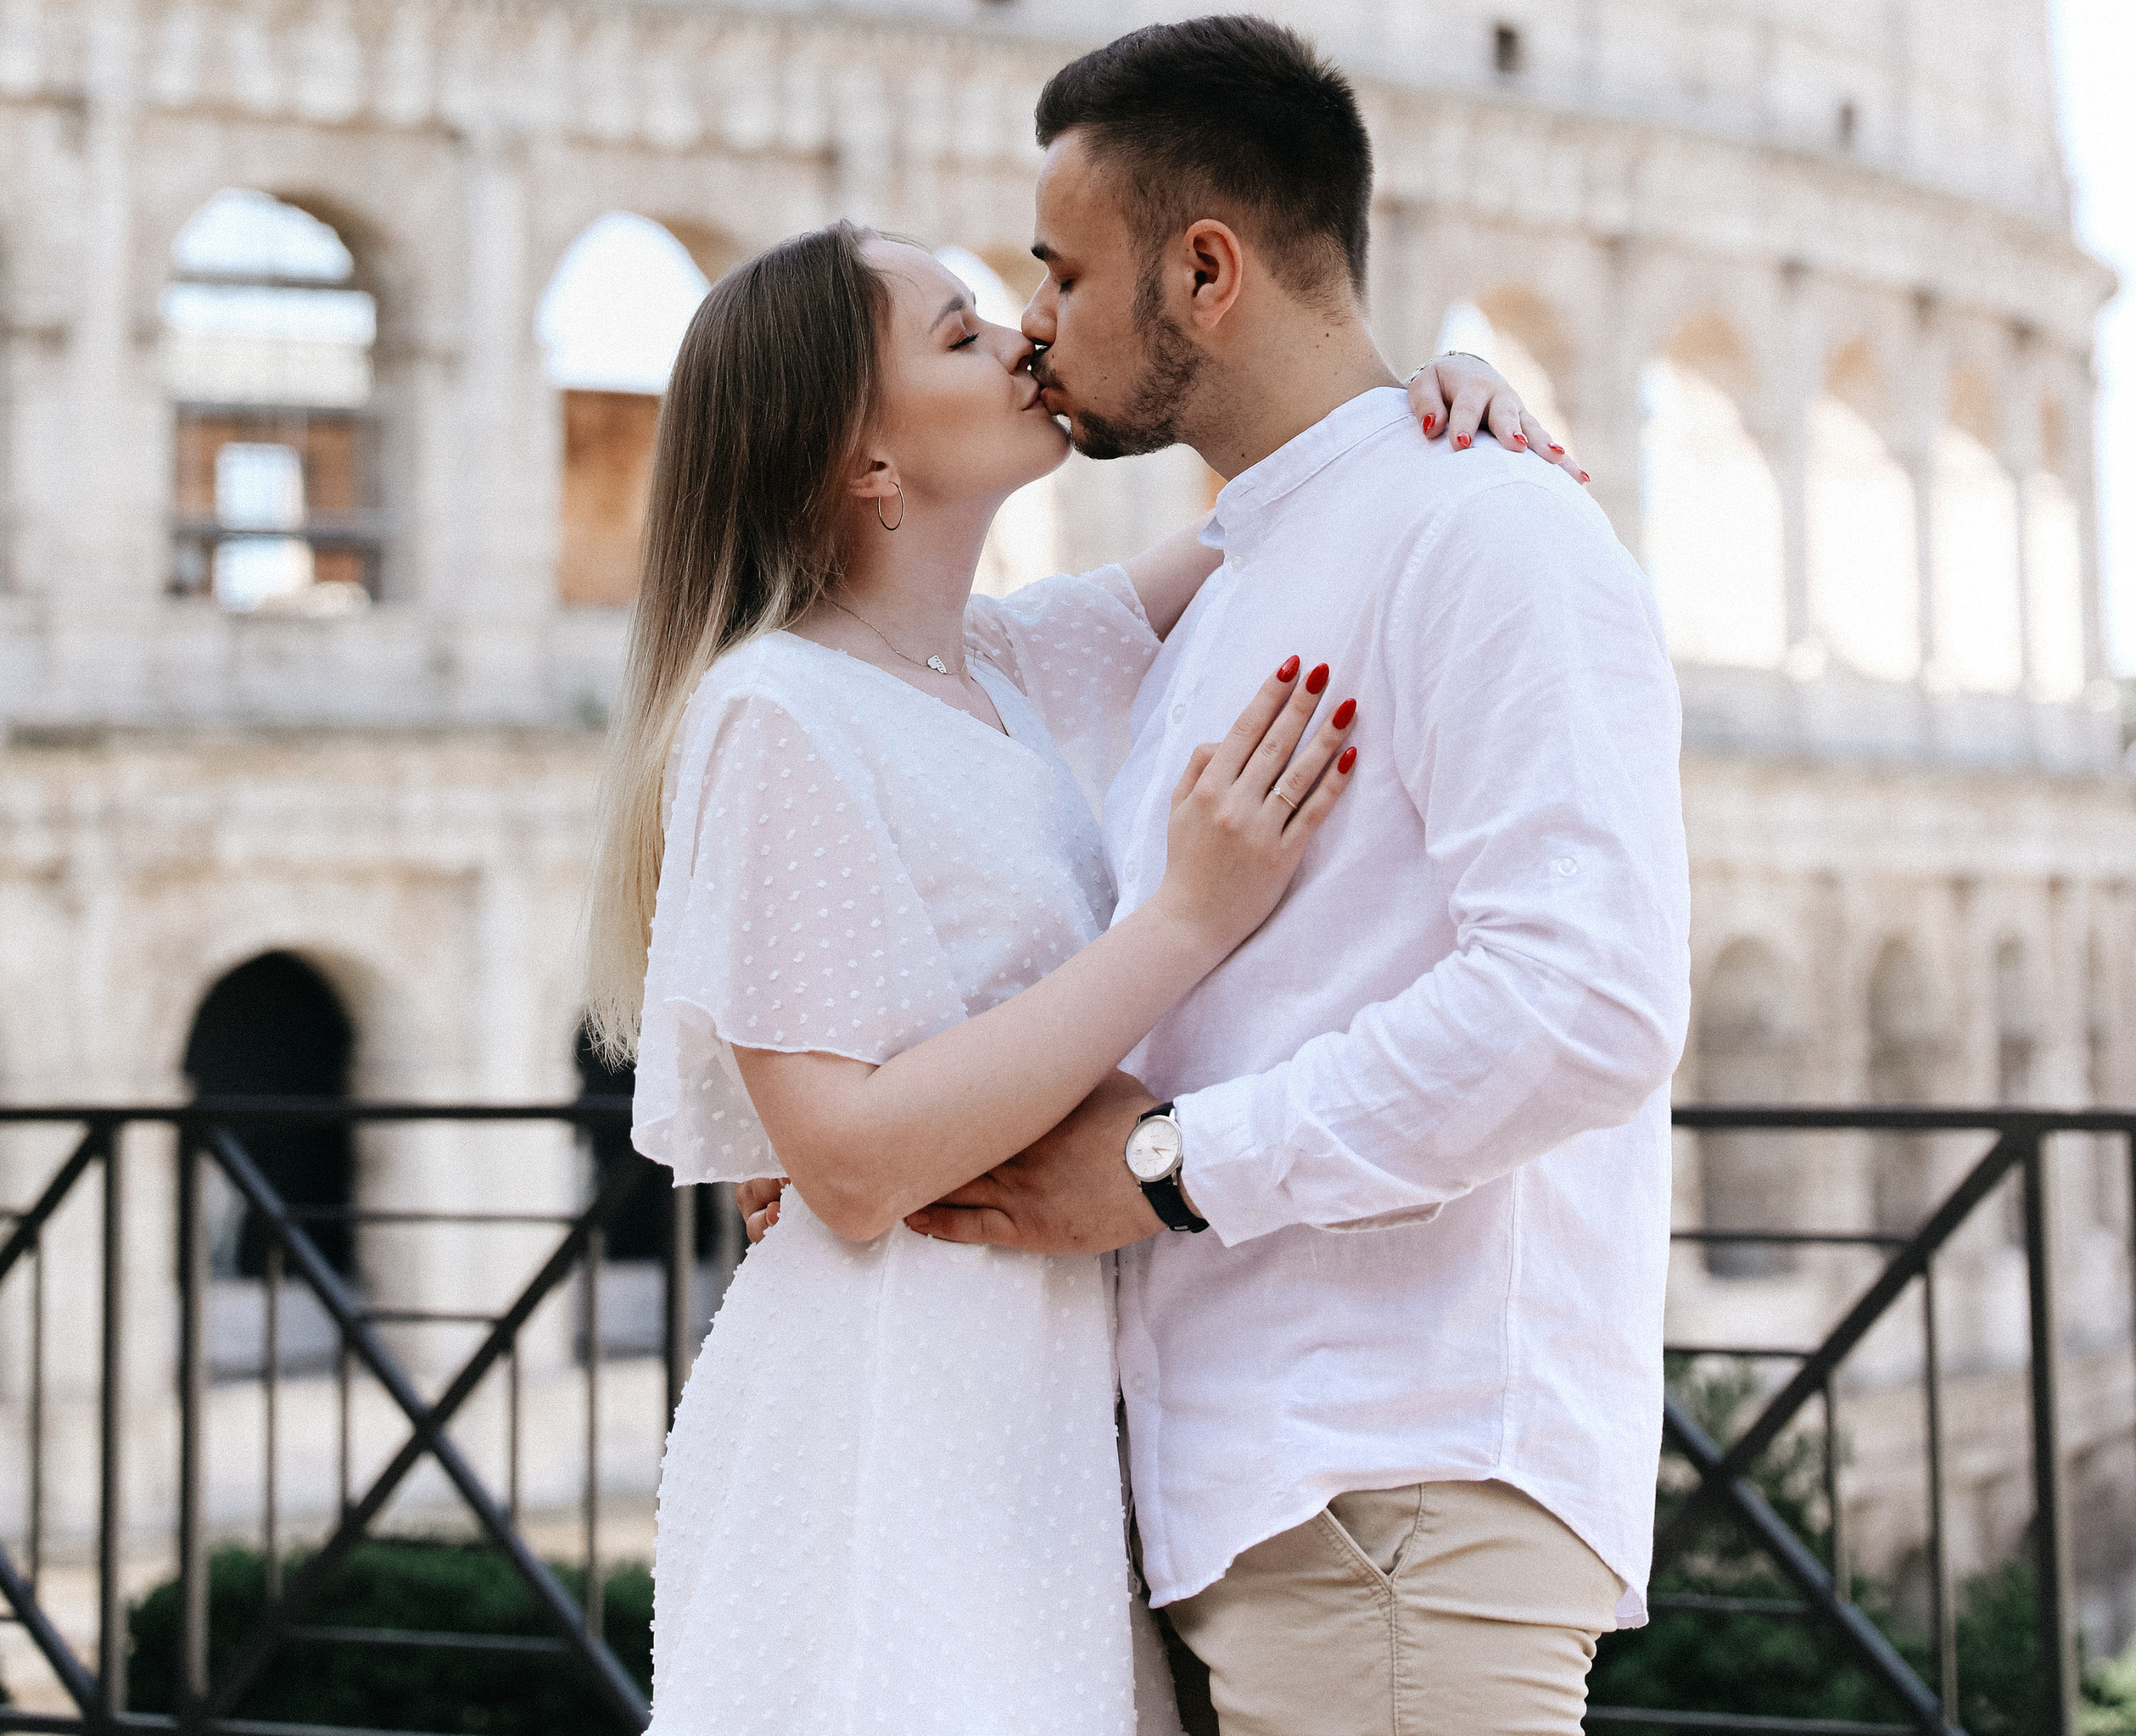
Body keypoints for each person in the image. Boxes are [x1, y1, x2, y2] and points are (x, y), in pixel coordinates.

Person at [582, 204, 1563, 1736]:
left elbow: (1288, 512)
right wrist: (1185, 920)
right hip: (890, 1405)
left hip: (1038, 1398)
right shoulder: (773, 710)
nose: (1024, 337)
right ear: (866, 461)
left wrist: (1430, 402)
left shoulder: (1004, 663)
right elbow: (844, 1164)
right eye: (960, 334)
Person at [902, 14, 1692, 1736]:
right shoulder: (1253, 566)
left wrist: (1173, 1169)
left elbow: (1585, 1002)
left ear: (1204, 271)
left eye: (1061, 271)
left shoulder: (1487, 525)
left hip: (1390, 1494)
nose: (1033, 320)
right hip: (1262, 1500)